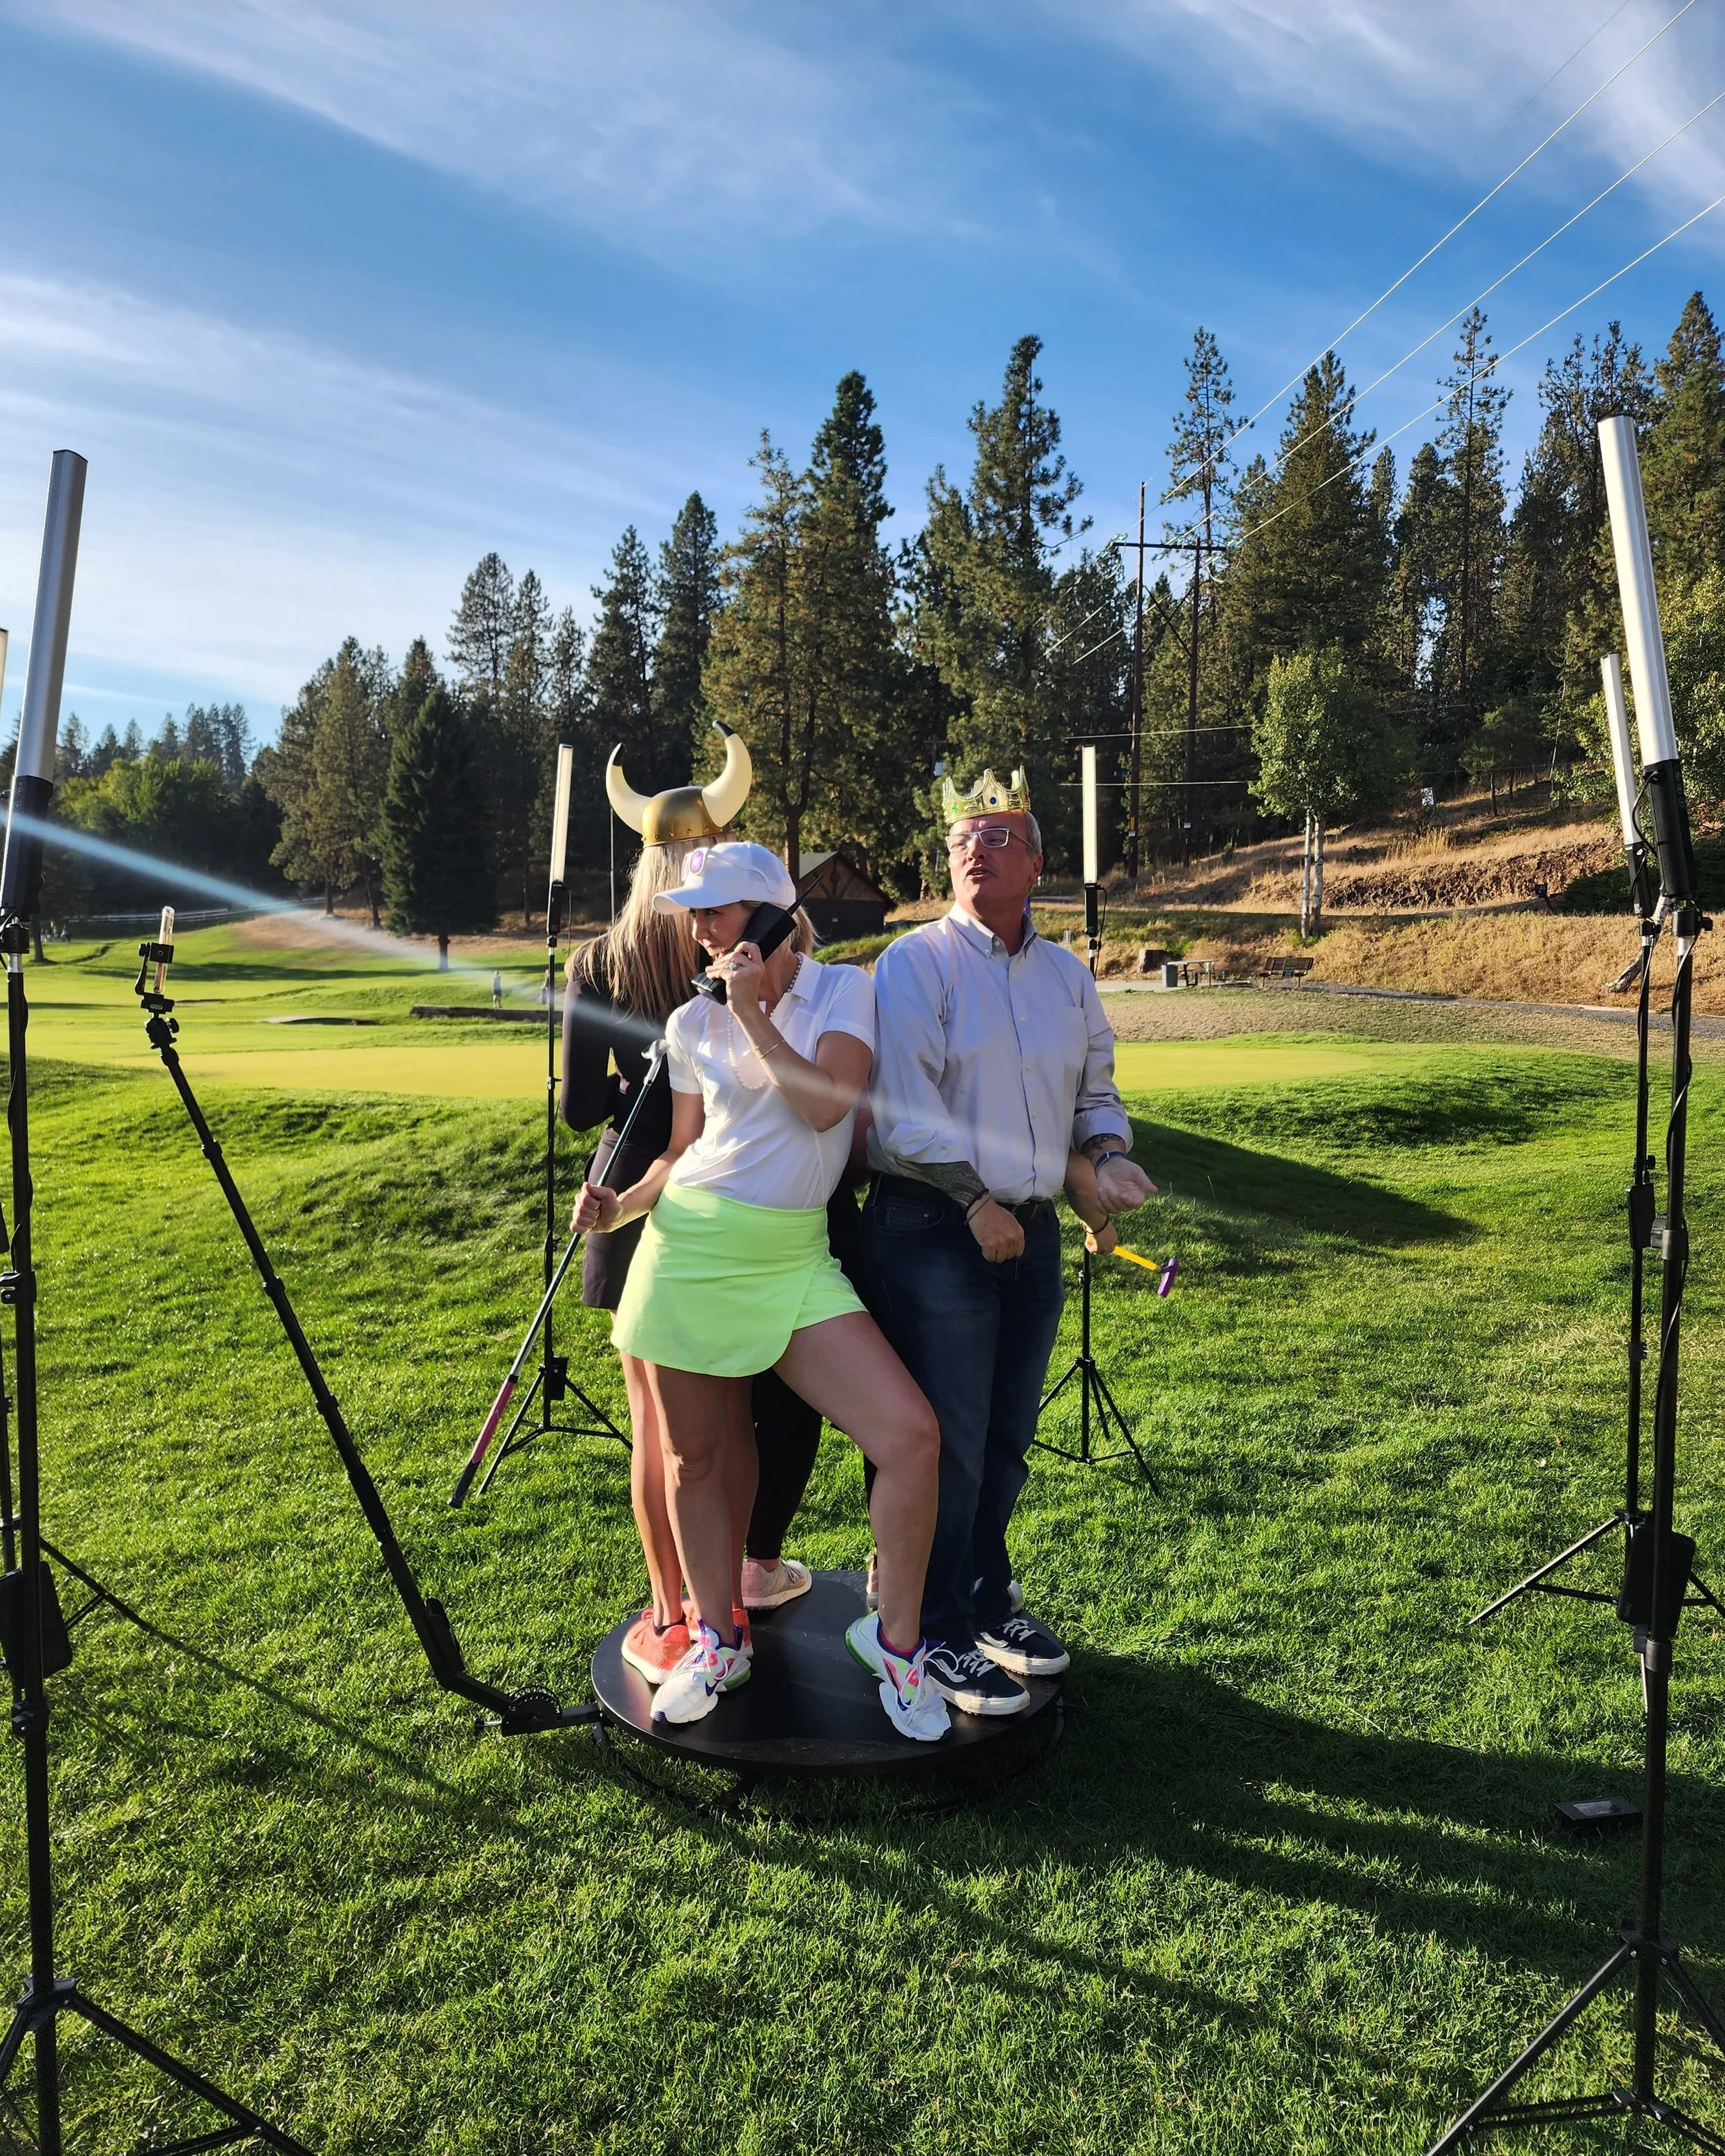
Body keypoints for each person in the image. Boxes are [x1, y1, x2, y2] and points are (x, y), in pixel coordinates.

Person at [574, 841, 948, 1741]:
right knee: (697, 1463)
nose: (699, 931)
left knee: (910, 1438)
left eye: (717, 912)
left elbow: (827, 1105)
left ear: (774, 917)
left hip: (793, 1261)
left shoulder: (843, 989)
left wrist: (750, 1012)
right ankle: (718, 1637)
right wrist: (619, 1205)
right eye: (692, 913)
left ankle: (896, 1646)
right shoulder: (692, 1023)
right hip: (689, 1253)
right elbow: (681, 1150)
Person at [865, 767, 1154, 1717]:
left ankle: (987, 1594)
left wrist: (1105, 1159)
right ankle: (932, 1627)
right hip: (932, 1229)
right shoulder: (916, 964)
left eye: (996, 837)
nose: (975, 851)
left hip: (1027, 1234)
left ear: (1036, 860)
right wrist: (970, 1199)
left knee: (1006, 1439)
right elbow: (901, 1114)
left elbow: (1095, 1093)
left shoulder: (1068, 973)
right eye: (961, 841)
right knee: (944, 1444)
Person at [562, 726, 771, 1684]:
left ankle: (669, 1611)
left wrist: (625, 1102)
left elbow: (576, 1108)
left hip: (628, 1193)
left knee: (655, 1424)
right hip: (722, 1188)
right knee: (720, 1421)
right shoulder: (732, 940)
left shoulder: (597, 958)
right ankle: (727, 1603)